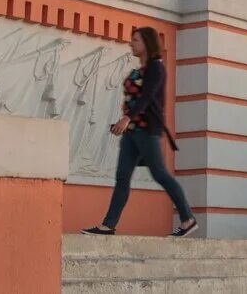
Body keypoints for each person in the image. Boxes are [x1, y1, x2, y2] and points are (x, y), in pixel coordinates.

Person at [83, 27, 198, 237]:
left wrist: (126, 119)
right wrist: (124, 122)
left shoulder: (156, 68)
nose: (131, 43)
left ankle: (187, 218)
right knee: (122, 177)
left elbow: (146, 98)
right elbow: (133, 100)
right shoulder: (138, 70)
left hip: (147, 130)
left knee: (160, 174)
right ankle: (108, 225)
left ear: (146, 42)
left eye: (135, 40)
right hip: (132, 133)